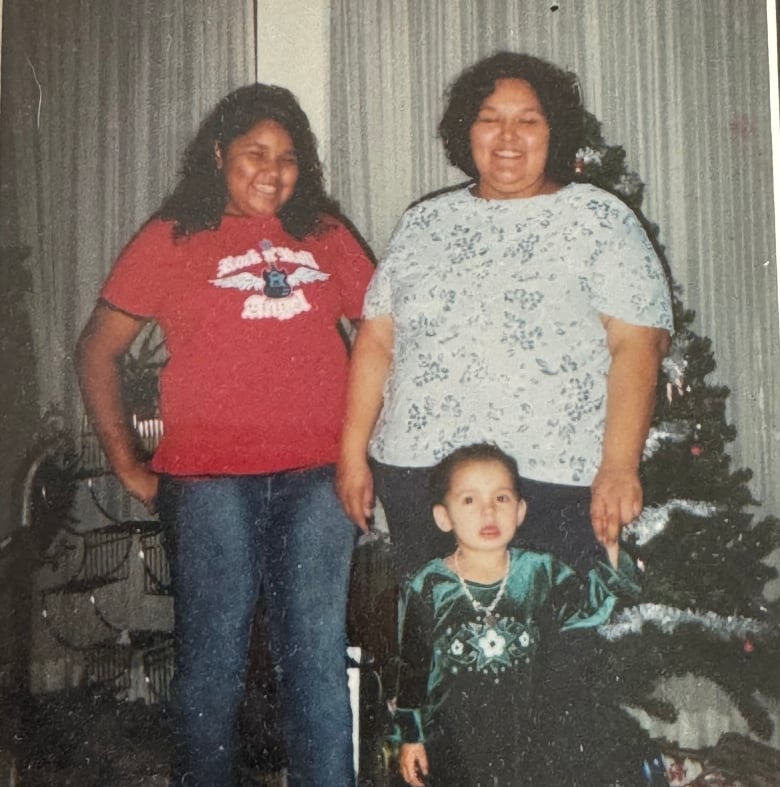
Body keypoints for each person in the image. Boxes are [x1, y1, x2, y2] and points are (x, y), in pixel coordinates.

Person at [76, 83, 374, 787]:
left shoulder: (325, 234)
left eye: (289, 157)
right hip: (207, 482)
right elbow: (97, 350)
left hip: (318, 480)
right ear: (218, 155)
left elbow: (384, 339)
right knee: (211, 668)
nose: (273, 170)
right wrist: (128, 464)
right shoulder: (172, 236)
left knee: (315, 662)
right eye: (255, 153)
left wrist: (364, 447)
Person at [336, 51, 673, 582]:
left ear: (554, 132)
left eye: (528, 121)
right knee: (440, 653)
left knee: (551, 652)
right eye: (490, 119)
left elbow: (638, 346)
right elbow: (378, 340)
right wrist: (352, 455)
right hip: (423, 479)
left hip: (551, 482)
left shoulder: (599, 220)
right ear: (466, 133)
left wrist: (619, 467)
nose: (507, 136)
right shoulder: (425, 221)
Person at [395, 443, 661, 787]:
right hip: (454, 737)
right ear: (444, 516)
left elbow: (588, 609)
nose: (488, 512)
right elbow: (413, 664)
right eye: (469, 500)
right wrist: (411, 736)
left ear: (520, 511)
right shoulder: (430, 583)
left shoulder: (539, 572)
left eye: (501, 498)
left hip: (528, 735)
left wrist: (611, 553)